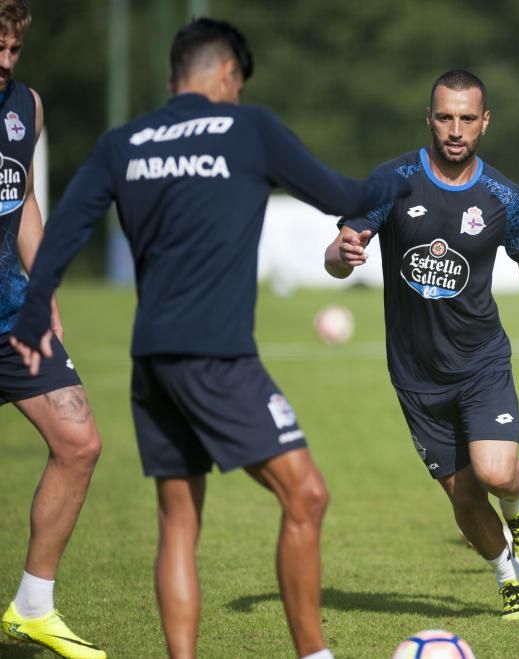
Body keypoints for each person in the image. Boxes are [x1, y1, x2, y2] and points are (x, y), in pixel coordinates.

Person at [11, 18, 410, 659]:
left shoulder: (125, 143)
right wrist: (393, 185)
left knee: (178, 519)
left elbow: (61, 231)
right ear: (228, 76)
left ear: (176, 77)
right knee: (306, 495)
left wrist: (34, 313)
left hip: (153, 361)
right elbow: (342, 195)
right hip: (216, 358)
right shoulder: (248, 129)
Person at [325, 70, 519, 621]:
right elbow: (339, 255)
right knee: (463, 496)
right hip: (414, 374)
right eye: (444, 117)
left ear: (485, 122)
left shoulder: (503, 196)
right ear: (429, 119)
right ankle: (509, 575)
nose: (455, 130)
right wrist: (342, 255)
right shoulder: (392, 180)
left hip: (481, 361)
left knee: (496, 472)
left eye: (466, 118)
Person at [0, 2, 107, 657]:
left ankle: (32, 607)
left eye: (13, 50)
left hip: (14, 318)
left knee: (79, 441)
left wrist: (46, 290)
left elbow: (25, 199)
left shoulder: (26, 107)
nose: (6, 63)